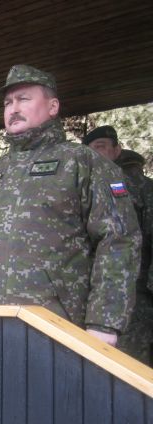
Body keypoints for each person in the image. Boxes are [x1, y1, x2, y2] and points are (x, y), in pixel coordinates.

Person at [0, 65, 141, 346]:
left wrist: (104, 323)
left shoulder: (83, 162)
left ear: (53, 106)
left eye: (23, 99)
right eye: (7, 102)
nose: (13, 108)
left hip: (59, 330)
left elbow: (119, 240)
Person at [84, 125, 153, 364]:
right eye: (90, 149)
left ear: (117, 150)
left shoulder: (139, 187)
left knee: (129, 364)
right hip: (90, 292)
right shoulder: (83, 185)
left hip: (134, 294)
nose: (96, 153)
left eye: (101, 147)